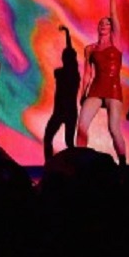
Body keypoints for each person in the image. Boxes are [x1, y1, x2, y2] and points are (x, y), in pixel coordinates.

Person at [76, 0, 126, 166]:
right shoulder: (90, 49)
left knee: (113, 128)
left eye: (108, 23)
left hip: (113, 88)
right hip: (96, 88)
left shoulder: (115, 43)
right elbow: (87, 74)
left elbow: (113, 15)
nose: (105, 25)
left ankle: (123, 165)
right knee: (82, 126)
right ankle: (79, 164)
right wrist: (83, 93)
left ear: (111, 28)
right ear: (98, 27)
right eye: (102, 23)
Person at [43, 25, 80, 162]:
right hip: (69, 112)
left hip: (61, 111)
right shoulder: (75, 74)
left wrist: (67, 34)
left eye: (64, 56)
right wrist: (67, 33)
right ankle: (54, 165)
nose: (62, 58)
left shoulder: (60, 73)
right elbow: (70, 52)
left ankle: (51, 164)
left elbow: (70, 52)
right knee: (68, 142)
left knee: (51, 138)